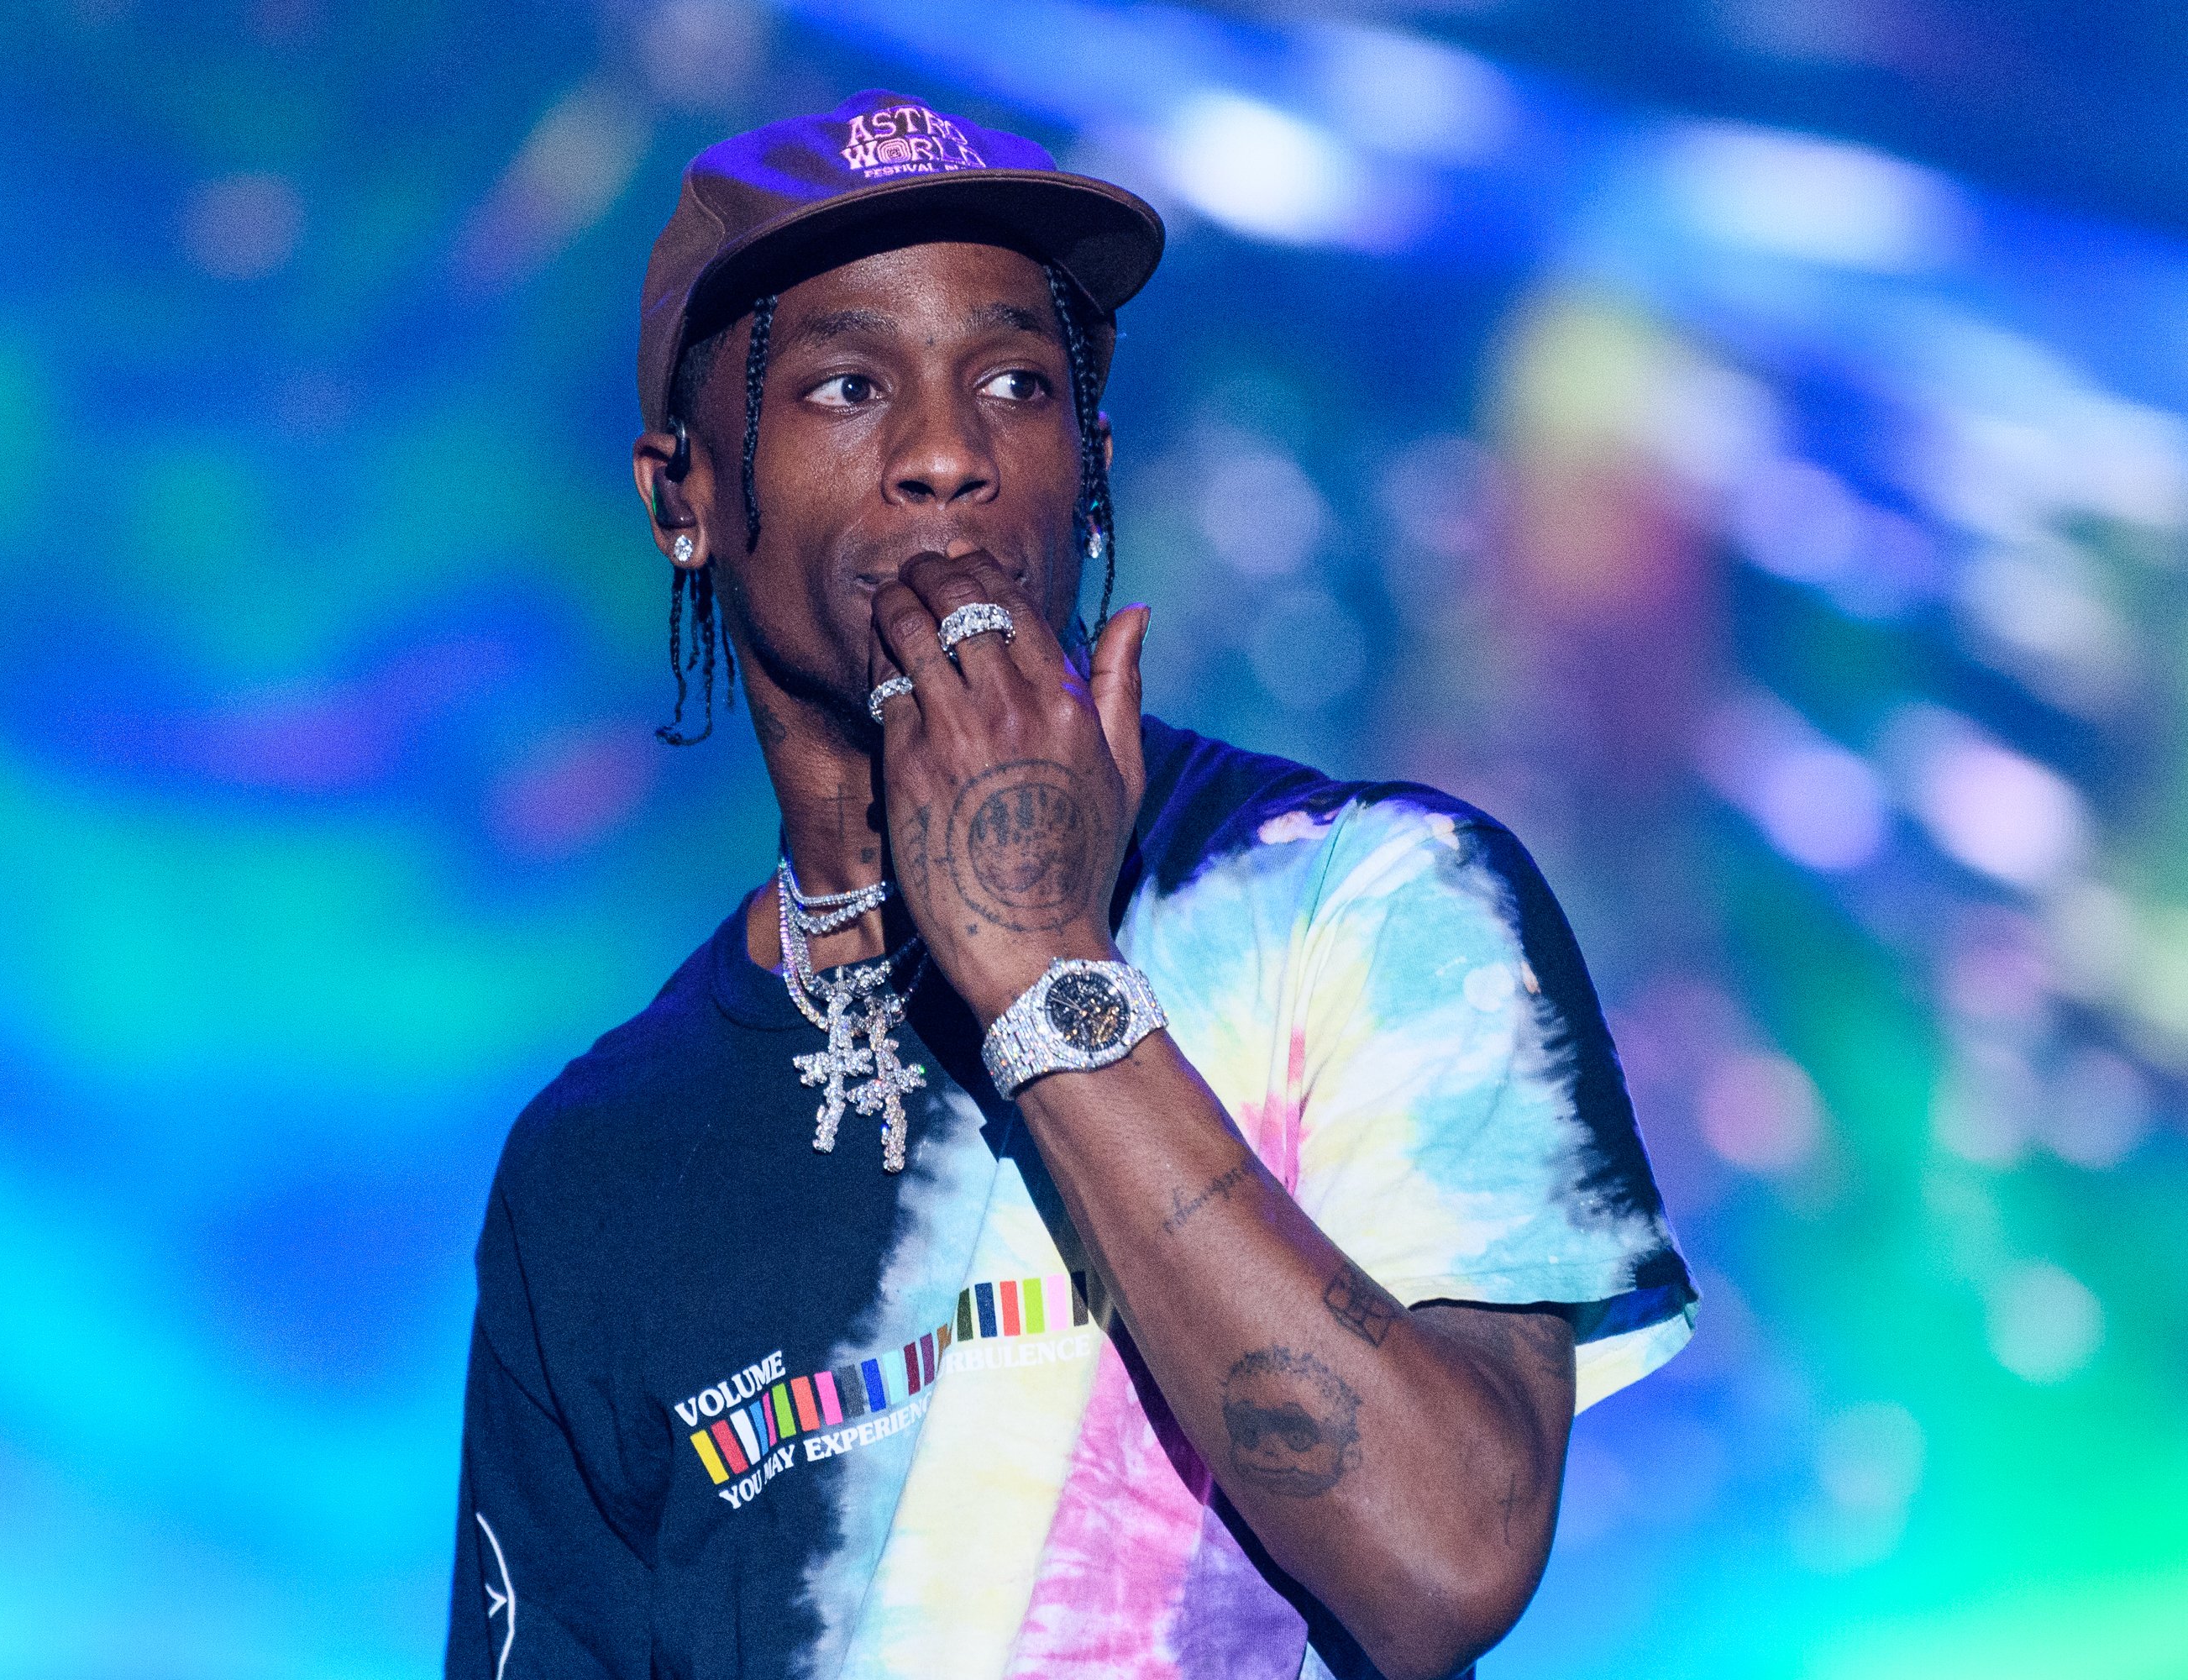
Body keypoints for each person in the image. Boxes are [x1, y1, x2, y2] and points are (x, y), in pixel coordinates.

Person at [446, 90, 1694, 1680]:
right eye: (845, 382)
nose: (951, 457)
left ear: (1087, 462)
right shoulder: (597, 1169)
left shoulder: (1368, 903)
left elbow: (1445, 1559)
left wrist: (1043, 971)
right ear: (681, 494)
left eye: (1017, 386)